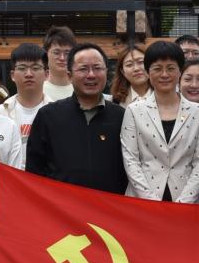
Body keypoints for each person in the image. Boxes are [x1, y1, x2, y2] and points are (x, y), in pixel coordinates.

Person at [27, 43, 128, 194]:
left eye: (97, 68)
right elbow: (34, 172)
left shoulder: (121, 116)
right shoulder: (48, 116)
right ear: (69, 75)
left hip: (109, 206)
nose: (91, 75)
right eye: (83, 69)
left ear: (106, 72)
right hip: (61, 206)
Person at [120, 41, 199, 203]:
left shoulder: (198, 112)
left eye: (170, 68)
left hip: (186, 200)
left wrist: (184, 202)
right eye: (157, 69)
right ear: (147, 72)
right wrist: (151, 201)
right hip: (142, 201)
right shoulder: (134, 111)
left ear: (180, 71)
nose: (164, 74)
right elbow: (131, 160)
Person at [0, 43, 53, 158]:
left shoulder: (58, 113)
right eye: (22, 68)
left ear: (46, 74)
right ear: (12, 75)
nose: (29, 74)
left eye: (35, 68)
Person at [42, 25, 77, 101]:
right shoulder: (37, 89)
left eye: (67, 53)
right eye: (56, 53)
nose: (62, 58)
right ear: (46, 54)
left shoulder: (81, 89)